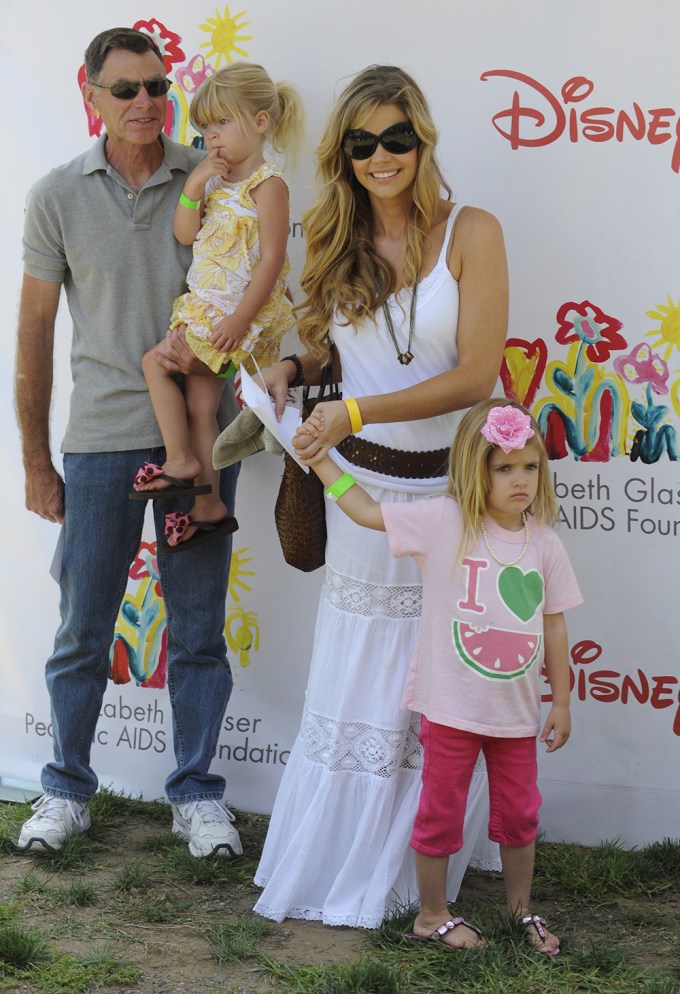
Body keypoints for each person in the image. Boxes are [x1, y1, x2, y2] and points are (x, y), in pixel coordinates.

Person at [253, 65, 509, 929]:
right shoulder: (329, 231)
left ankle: (419, 877)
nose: (381, 156)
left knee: (435, 687)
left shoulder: (473, 232)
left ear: (424, 138)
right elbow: (329, 354)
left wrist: (355, 405)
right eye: (362, 143)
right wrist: (295, 367)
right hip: (362, 490)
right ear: (345, 153)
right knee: (360, 679)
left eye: (397, 137)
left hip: (452, 491)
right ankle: (340, 867)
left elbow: (476, 374)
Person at [14, 27, 242, 859]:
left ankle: (196, 796)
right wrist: (38, 462)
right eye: (126, 90)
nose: (146, 102)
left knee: (197, 629)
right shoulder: (54, 196)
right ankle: (66, 790)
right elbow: (34, 335)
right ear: (92, 96)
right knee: (83, 629)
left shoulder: (214, 178)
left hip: (204, 442)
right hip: (102, 442)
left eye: (157, 87)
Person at [302, 399, 582, 953]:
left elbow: (554, 629)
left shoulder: (545, 544)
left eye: (530, 467)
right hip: (450, 708)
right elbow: (366, 512)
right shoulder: (444, 521)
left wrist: (563, 703)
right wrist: (321, 463)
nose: (519, 480)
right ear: (476, 471)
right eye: (504, 468)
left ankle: (521, 911)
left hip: (516, 715)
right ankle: (432, 915)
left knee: (522, 815)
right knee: (441, 811)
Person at [132, 63, 304, 553]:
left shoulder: (268, 187)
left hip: (231, 314)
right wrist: (193, 186)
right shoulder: (215, 182)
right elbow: (185, 234)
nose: (212, 138)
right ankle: (208, 507)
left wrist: (240, 319)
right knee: (201, 405)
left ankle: (180, 459)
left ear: (261, 122)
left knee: (154, 362)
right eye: (206, 129)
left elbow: (273, 260)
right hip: (207, 307)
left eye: (222, 125)